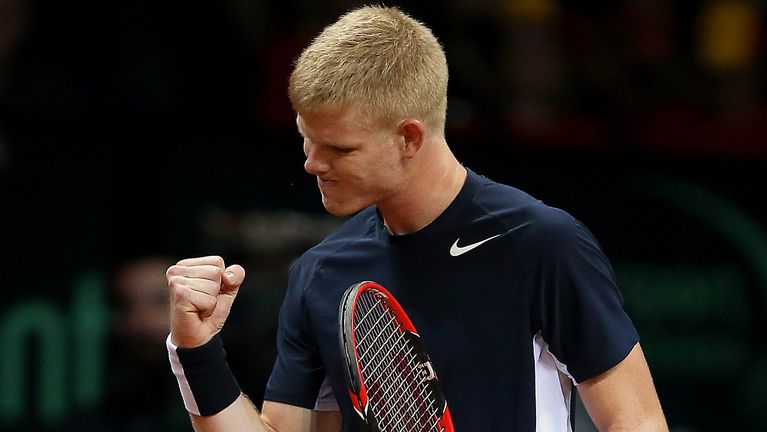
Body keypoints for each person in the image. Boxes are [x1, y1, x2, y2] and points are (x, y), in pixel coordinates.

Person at [165, 5, 668, 431]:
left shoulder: (542, 244)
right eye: (306, 138)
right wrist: (196, 351)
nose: (312, 163)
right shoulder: (320, 272)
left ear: (409, 137)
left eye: (339, 148)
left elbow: (637, 421)